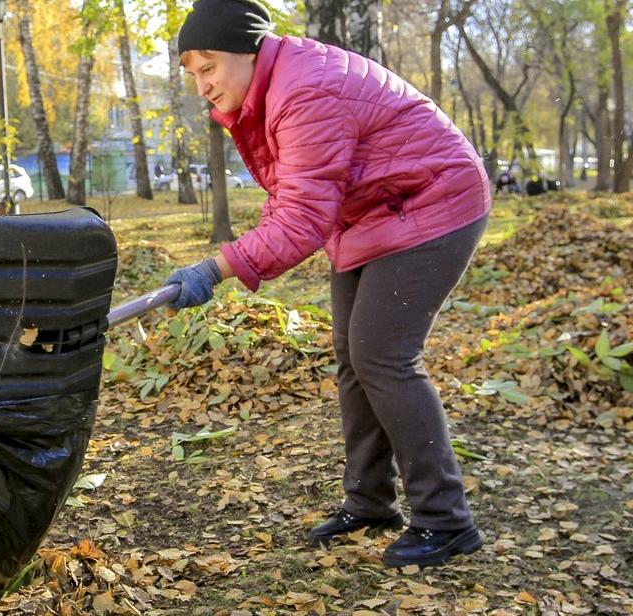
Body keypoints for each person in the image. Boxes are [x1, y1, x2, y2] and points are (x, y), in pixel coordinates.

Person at [164, 0, 490, 568]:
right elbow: (302, 197)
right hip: (371, 215)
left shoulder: (304, 89)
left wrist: (214, 269)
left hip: (434, 201)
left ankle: (445, 520)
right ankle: (369, 503)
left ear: (247, 50)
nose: (201, 86)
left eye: (208, 66)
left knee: (383, 356)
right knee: (352, 357)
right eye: (192, 72)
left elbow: (300, 219)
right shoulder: (272, 87)